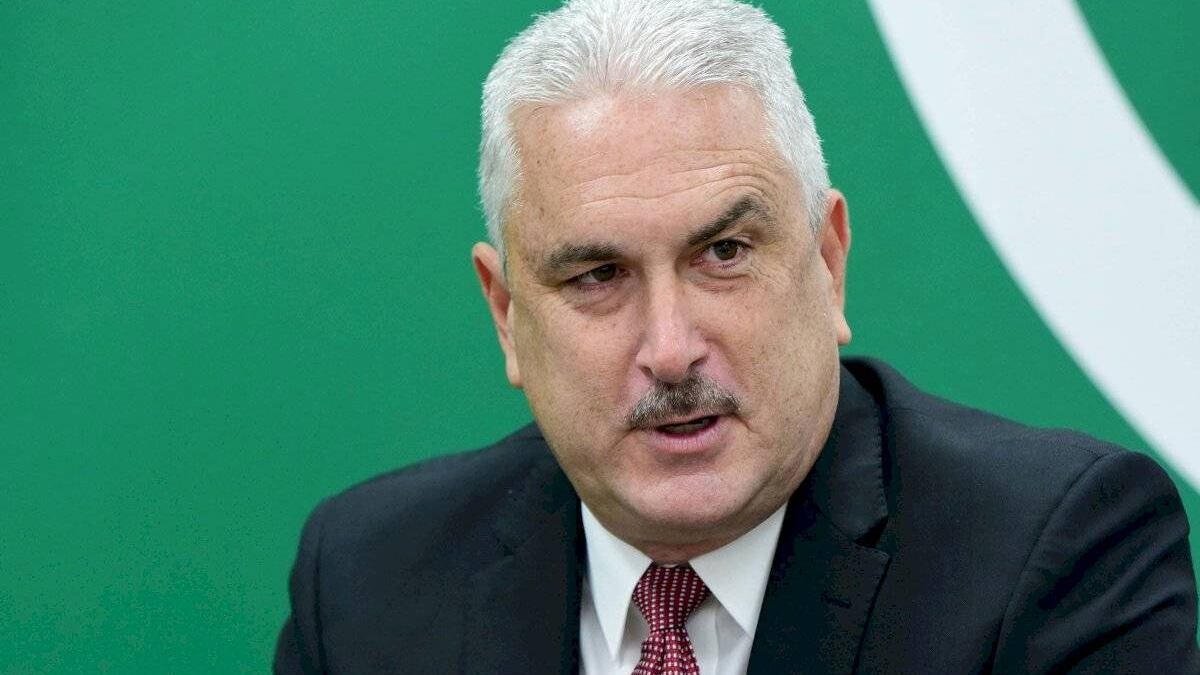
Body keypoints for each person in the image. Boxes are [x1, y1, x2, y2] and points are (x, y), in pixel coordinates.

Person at [274, 0, 1200, 672]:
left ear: (827, 262)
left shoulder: (1057, 558)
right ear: (507, 315)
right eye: (597, 276)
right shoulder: (365, 587)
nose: (671, 348)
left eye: (723, 253)